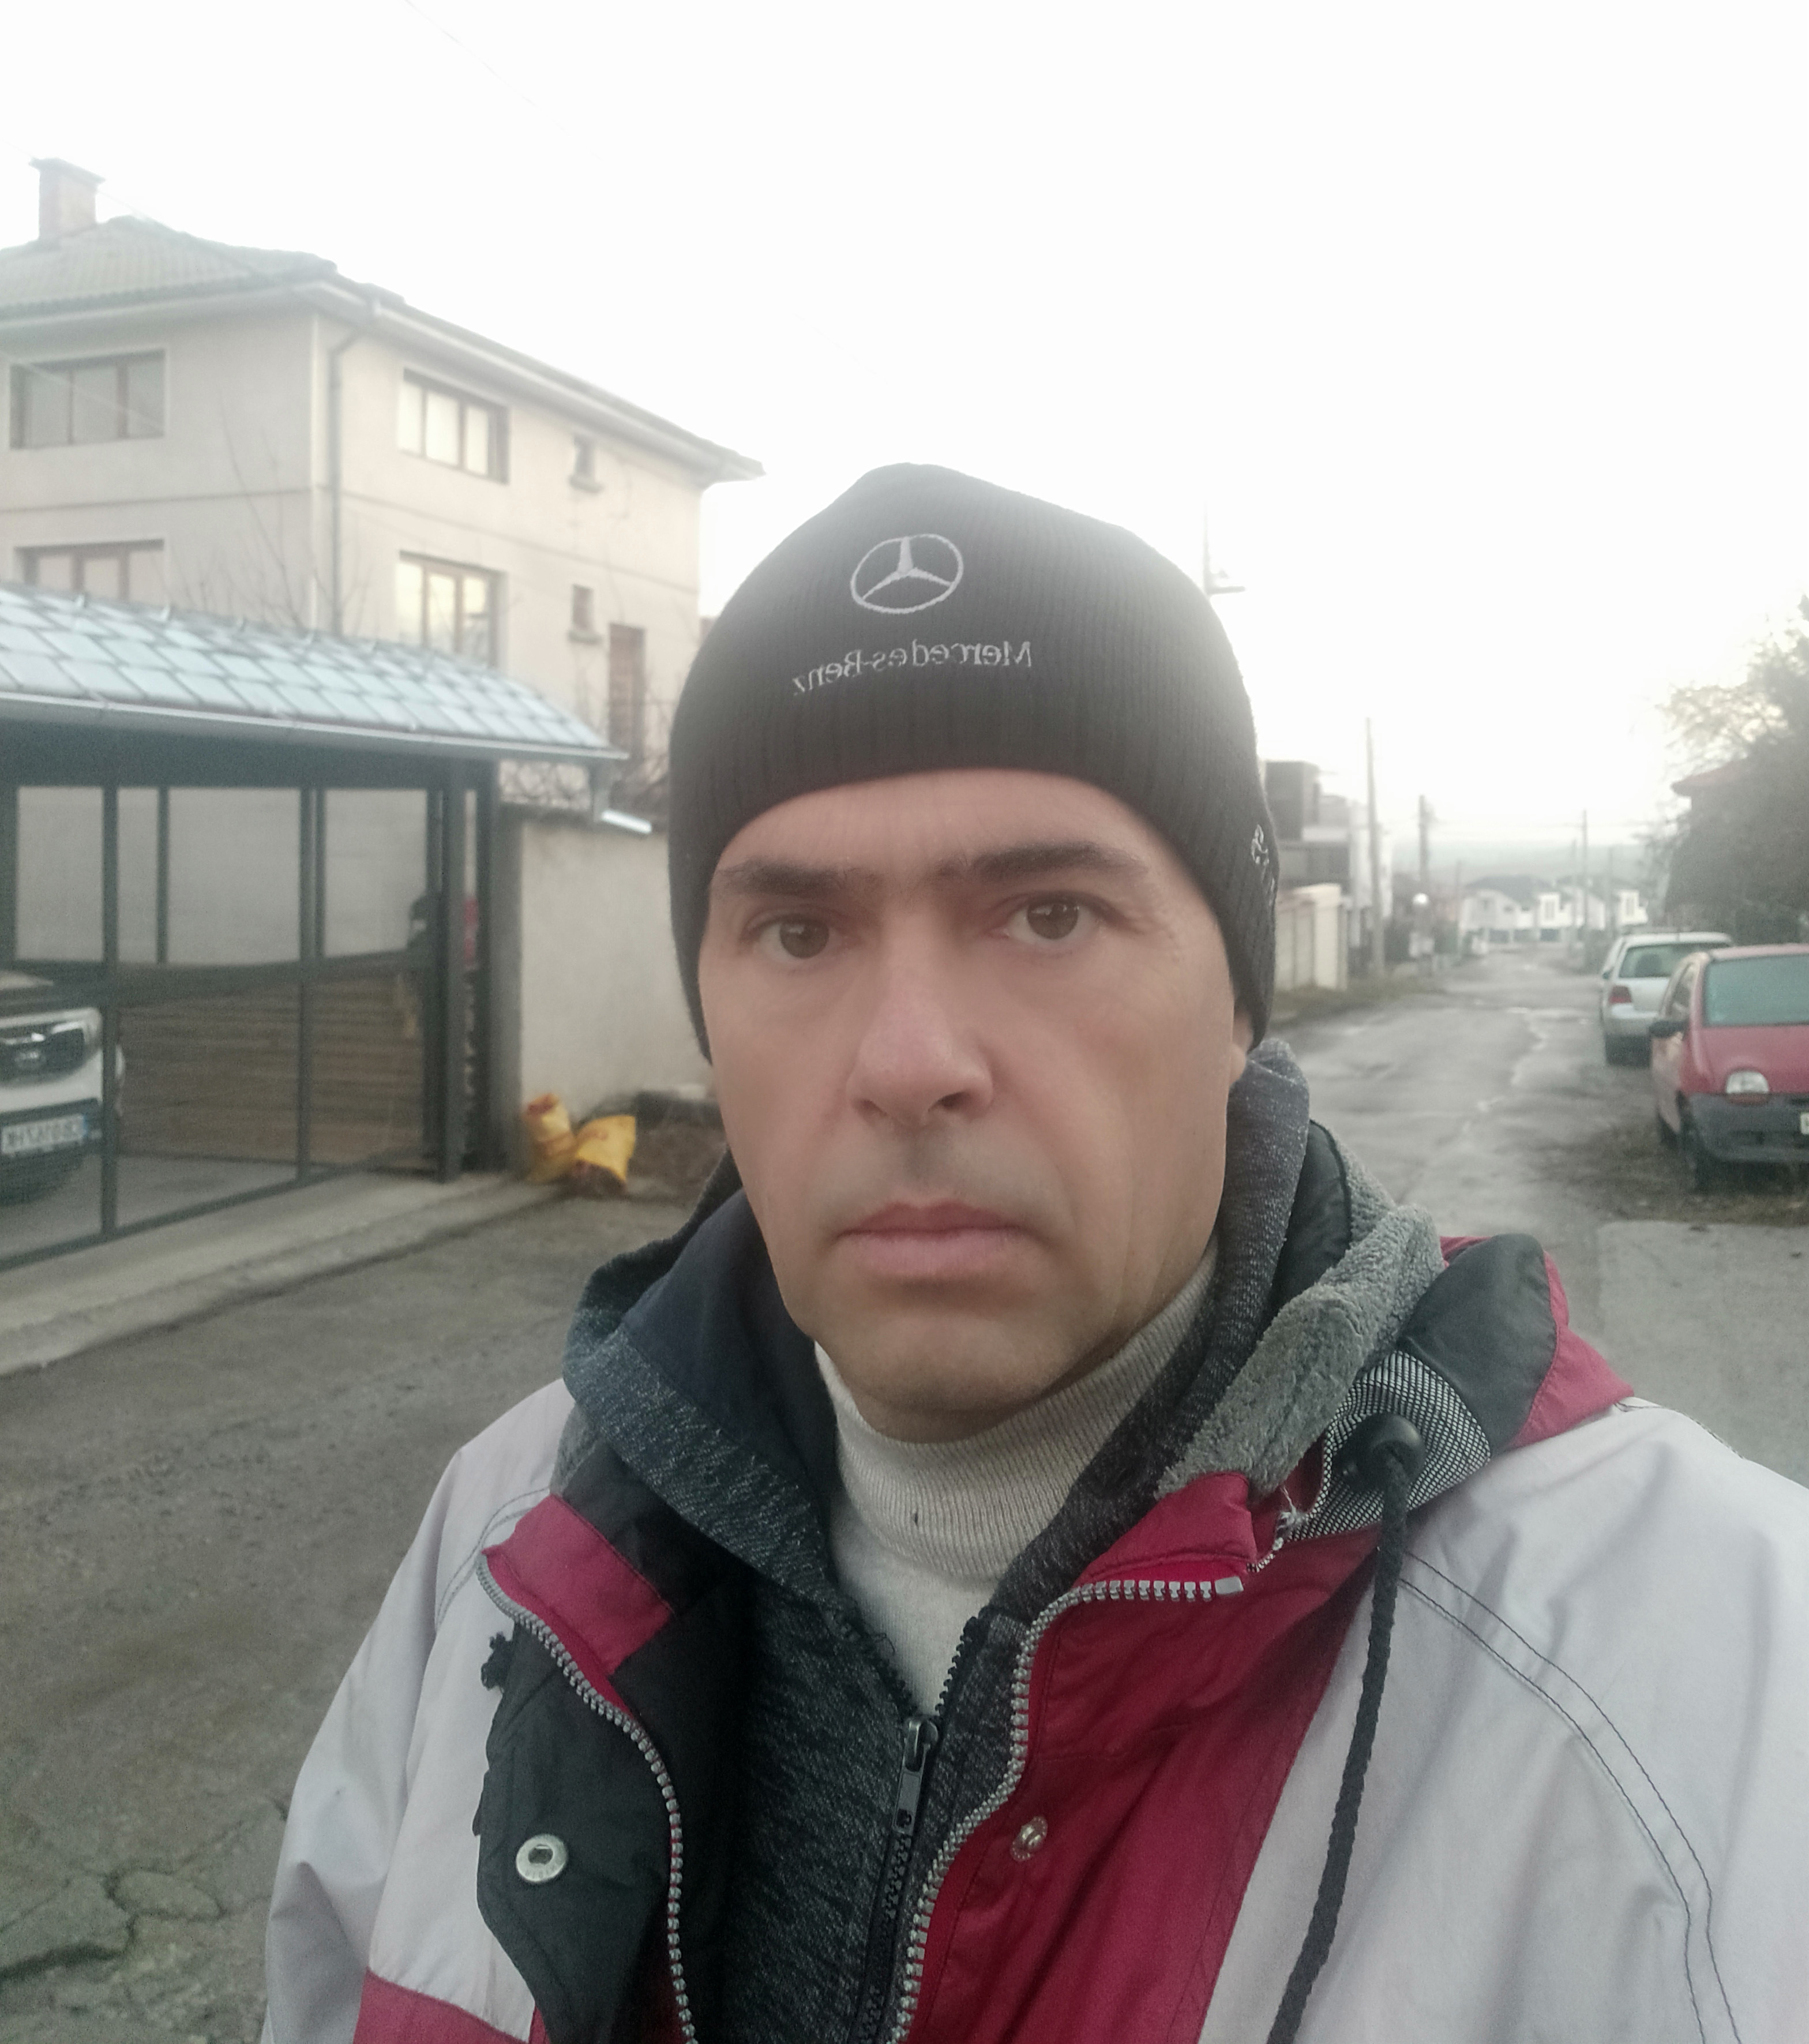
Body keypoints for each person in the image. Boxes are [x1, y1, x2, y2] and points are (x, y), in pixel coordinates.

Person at [264, 466, 1809, 2044]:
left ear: (1239, 1004)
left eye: (1050, 916)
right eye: (799, 933)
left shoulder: (1713, 1691)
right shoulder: (506, 1545)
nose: (909, 1062)